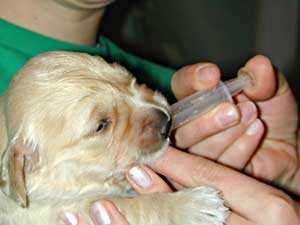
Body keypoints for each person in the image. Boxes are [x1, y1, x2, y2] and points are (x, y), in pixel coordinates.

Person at [0, 1, 299, 224]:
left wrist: (288, 175)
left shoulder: (174, 81)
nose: (158, 112)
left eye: (131, 82)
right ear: (21, 167)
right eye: (103, 125)